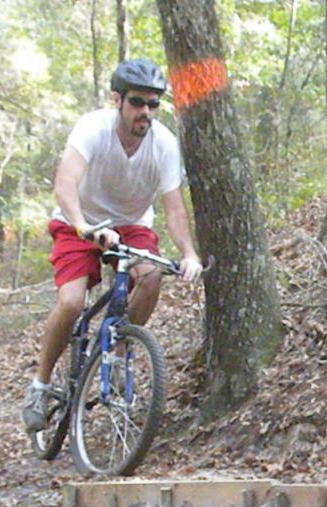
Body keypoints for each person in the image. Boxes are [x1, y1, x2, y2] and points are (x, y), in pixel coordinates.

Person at [22, 57, 204, 432]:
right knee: (72, 302)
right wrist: (83, 226)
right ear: (116, 100)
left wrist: (188, 253)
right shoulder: (93, 128)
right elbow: (65, 183)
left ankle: (118, 351)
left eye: (153, 104)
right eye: (137, 102)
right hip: (80, 220)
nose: (146, 112)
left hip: (132, 225)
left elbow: (173, 208)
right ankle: (40, 384)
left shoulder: (164, 144)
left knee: (151, 277)